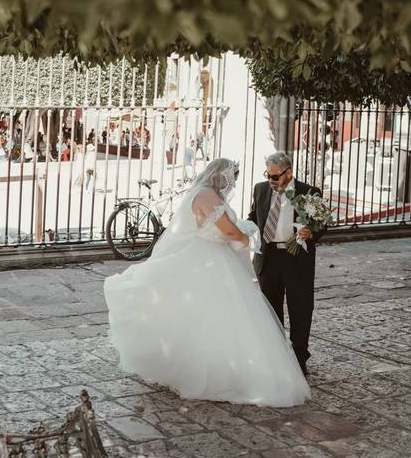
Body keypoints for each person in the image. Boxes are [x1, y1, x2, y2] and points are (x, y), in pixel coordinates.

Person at [104, 158, 310, 406]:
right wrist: (246, 237)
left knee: (204, 316)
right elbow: (229, 232)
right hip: (211, 259)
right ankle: (221, 372)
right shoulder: (208, 197)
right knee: (221, 315)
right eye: (232, 179)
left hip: (211, 256)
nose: (231, 184)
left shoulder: (204, 194)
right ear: (223, 177)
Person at [248, 152, 326, 375]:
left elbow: (322, 225)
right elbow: (255, 216)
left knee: (300, 309)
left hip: (296, 260)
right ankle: (276, 357)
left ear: (288, 173)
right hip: (268, 258)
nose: (270, 181)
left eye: (274, 177)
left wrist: (311, 232)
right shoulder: (260, 189)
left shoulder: (309, 193)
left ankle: (300, 359)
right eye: (268, 175)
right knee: (270, 311)